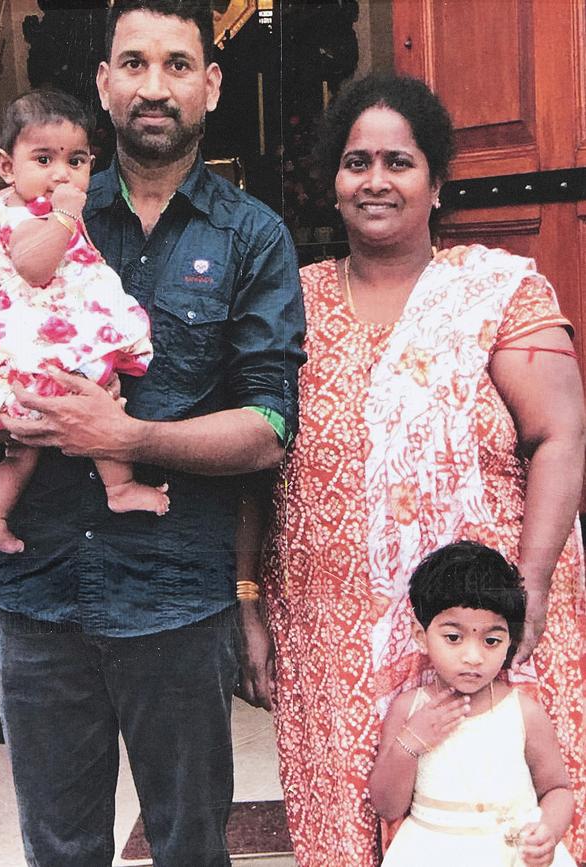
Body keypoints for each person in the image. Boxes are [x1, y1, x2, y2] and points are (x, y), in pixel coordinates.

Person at [0, 2, 305, 866]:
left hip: (174, 599)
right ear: (104, 83)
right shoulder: (34, 220)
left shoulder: (252, 237)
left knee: (191, 844)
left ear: (211, 82)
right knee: (59, 848)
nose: (153, 86)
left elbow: (269, 427)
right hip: (38, 591)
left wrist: (124, 434)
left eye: (175, 64)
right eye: (133, 63)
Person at [260, 73, 586, 865]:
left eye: (399, 162)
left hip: (486, 619)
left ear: (436, 183)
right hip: (329, 628)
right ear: (331, 185)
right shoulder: (288, 303)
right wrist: (247, 600)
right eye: (355, 161)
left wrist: (532, 585)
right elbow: (255, 461)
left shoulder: (500, 289)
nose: (375, 181)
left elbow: (561, 434)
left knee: (501, 819)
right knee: (348, 820)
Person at [0, 89, 169, 555]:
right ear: (6, 166)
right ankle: (118, 488)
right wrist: (65, 213)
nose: (62, 174)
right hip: (33, 344)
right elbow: (35, 267)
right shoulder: (15, 215)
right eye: (43, 159)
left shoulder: (27, 205)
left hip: (37, 336)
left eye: (77, 161)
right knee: (99, 399)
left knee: (24, 450)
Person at [370, 541, 576, 867]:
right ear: (422, 636)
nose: (473, 656)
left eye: (491, 640)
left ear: (510, 641)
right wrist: (409, 742)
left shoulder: (523, 713)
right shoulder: (410, 709)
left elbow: (558, 790)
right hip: (430, 854)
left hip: (513, 856)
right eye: (453, 637)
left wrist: (548, 830)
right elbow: (387, 807)